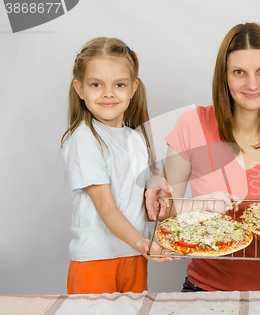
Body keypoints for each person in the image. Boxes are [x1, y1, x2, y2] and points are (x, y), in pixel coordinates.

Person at [145, 23, 260, 291]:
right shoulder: (192, 124)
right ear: (225, 77)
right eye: (239, 72)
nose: (252, 83)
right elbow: (167, 211)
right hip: (204, 289)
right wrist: (156, 188)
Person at [61, 37, 176, 295]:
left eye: (119, 84)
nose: (108, 93)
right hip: (95, 260)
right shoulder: (84, 139)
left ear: (133, 87)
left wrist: (155, 184)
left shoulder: (134, 138)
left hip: (133, 255)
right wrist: (142, 243)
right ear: (80, 89)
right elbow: (107, 207)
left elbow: (137, 188)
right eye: (96, 84)